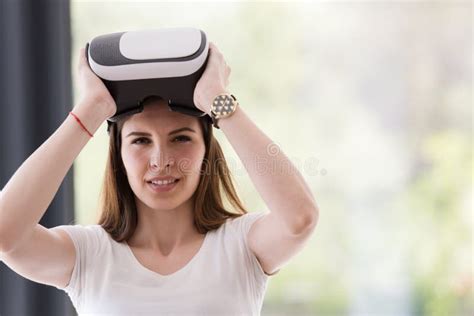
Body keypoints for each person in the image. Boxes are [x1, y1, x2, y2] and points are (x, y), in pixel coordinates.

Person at [0, 41, 319, 315]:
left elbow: (299, 219)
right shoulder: (89, 254)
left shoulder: (240, 244)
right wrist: (91, 109)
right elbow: (6, 234)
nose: (161, 161)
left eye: (181, 138)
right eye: (140, 140)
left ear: (206, 150)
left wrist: (218, 99)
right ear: (119, 155)